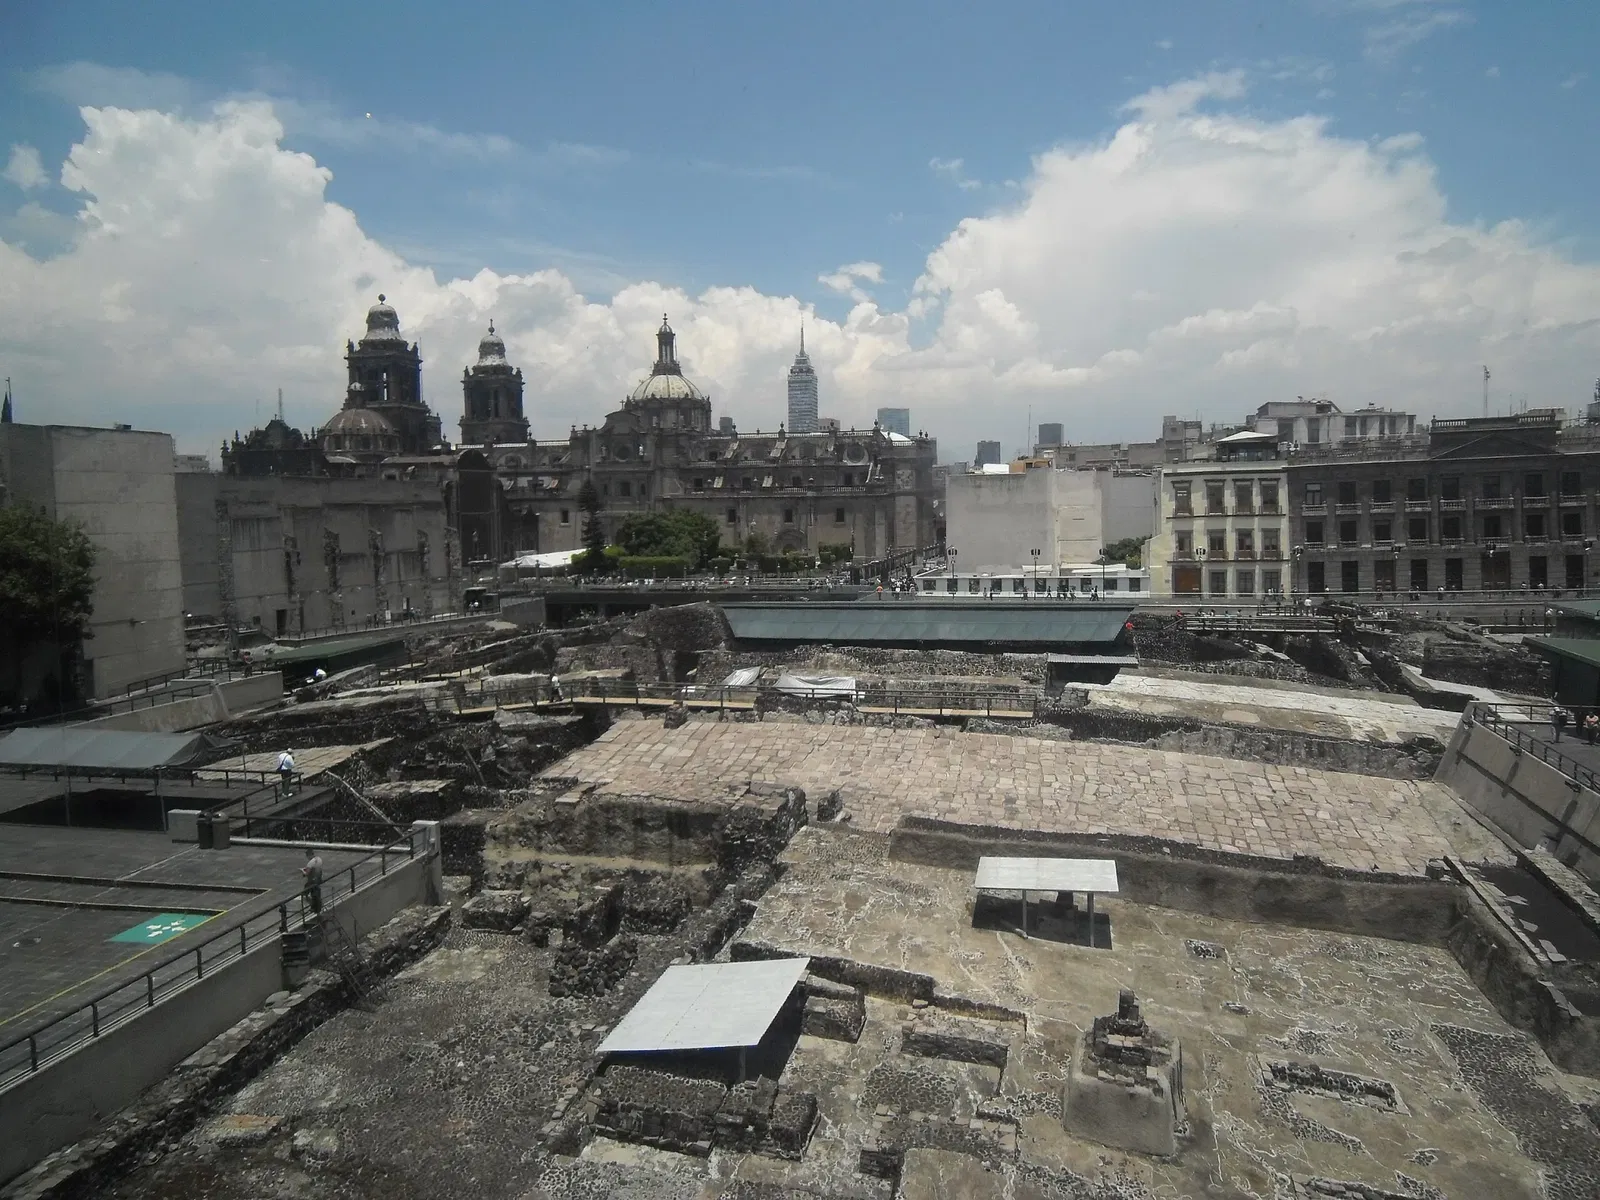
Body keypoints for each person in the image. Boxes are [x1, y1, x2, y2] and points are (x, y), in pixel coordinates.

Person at [301, 848, 324, 916]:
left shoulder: (310, 863)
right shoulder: (319, 859)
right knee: (316, 894)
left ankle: (313, 907)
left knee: (305, 894)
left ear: (309, 855)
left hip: (312, 881)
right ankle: (317, 907)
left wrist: (303, 872)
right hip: (318, 879)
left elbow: (307, 873)